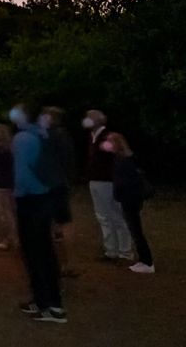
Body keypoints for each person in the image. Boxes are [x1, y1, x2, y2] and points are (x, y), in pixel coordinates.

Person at [10, 104, 66, 324]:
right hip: (46, 197)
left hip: (31, 200)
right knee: (44, 250)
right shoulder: (40, 134)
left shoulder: (23, 138)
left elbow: (22, 175)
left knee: (34, 253)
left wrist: (17, 197)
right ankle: (46, 300)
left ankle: (49, 306)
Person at [83, 109, 133, 261]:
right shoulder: (93, 137)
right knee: (103, 217)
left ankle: (124, 252)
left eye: (89, 118)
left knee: (116, 216)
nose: (86, 120)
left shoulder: (108, 136)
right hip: (96, 181)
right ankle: (111, 250)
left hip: (108, 181)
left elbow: (123, 155)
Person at [105, 132, 155, 273]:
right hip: (132, 198)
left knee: (136, 231)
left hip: (130, 199)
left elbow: (124, 182)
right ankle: (144, 260)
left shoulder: (123, 161)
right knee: (135, 230)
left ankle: (147, 262)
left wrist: (119, 194)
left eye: (110, 142)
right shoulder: (127, 158)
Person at [40, 107, 77, 276]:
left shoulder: (51, 136)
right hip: (58, 184)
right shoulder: (61, 136)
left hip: (51, 186)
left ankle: (62, 263)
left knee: (56, 225)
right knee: (59, 224)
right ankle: (65, 263)